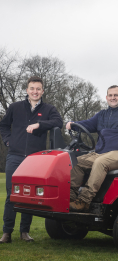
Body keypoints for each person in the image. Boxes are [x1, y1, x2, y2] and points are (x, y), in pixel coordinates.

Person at [0, 76, 63, 243]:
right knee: (11, 195)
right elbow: (4, 125)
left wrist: (39, 125)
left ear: (42, 91)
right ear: (27, 90)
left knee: (29, 196)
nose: (35, 91)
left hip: (35, 159)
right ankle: (7, 233)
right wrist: (8, 141)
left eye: (38, 89)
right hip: (14, 155)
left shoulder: (49, 109)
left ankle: (24, 232)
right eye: (32, 88)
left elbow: (59, 122)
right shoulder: (15, 107)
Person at [66, 85, 118, 212]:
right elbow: (88, 124)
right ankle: (70, 199)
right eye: (110, 95)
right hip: (101, 153)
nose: (113, 98)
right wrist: (73, 124)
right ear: (106, 97)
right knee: (76, 162)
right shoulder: (102, 115)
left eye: (116, 95)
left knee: (100, 162)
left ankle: (84, 201)